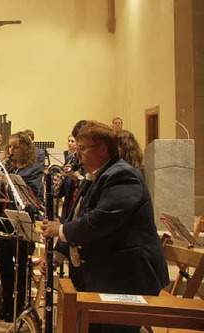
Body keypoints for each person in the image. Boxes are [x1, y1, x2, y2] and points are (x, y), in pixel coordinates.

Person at [41, 121, 169, 333]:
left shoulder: (123, 176)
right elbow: (78, 216)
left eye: (82, 149)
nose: (77, 155)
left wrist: (61, 230)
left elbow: (102, 219)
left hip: (125, 278)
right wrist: (58, 255)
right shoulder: (97, 175)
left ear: (102, 149)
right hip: (105, 274)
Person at [0, 131, 44, 322]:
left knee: (21, 267)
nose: (12, 151)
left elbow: (33, 198)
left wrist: (8, 182)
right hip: (3, 220)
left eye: (16, 147)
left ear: (25, 148)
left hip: (21, 222)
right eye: (10, 147)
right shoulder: (9, 166)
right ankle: (6, 303)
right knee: (5, 265)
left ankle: (19, 305)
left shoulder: (34, 169)